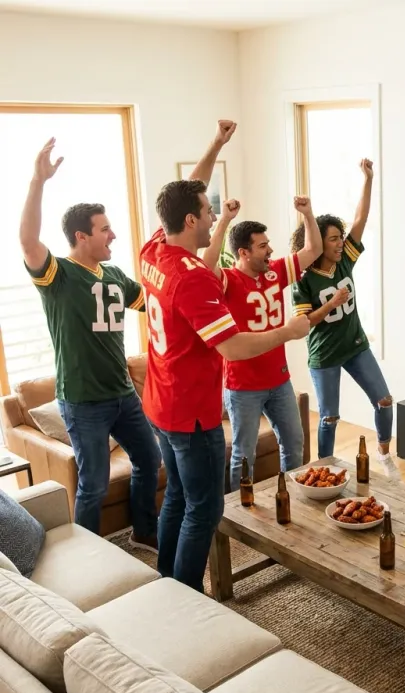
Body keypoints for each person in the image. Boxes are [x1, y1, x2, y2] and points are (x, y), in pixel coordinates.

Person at [139, 120, 310, 593]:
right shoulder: (192, 277)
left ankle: (166, 582)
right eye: (207, 211)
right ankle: (189, 594)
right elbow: (232, 345)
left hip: (159, 404)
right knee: (204, 507)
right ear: (191, 221)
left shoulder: (154, 248)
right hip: (190, 412)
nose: (214, 216)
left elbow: (185, 193)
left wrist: (215, 144)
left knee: (176, 494)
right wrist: (289, 331)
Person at [19, 138, 161, 551]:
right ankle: (88, 553)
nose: (113, 234)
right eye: (104, 229)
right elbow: (28, 241)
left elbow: (152, 302)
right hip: (83, 401)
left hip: (123, 394)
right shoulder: (59, 276)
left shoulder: (114, 274)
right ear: (82, 237)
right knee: (94, 485)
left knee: (150, 461)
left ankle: (143, 531)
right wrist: (37, 181)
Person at [202, 196, 322, 489]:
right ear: (243, 252)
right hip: (243, 386)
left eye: (268, 244)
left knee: (294, 444)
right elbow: (206, 264)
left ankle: (291, 497)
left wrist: (307, 214)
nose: (270, 250)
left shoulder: (275, 272)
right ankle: (239, 513)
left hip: (279, 380)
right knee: (244, 455)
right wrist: (224, 221)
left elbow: (314, 250)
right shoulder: (229, 280)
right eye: (262, 246)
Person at [291, 159, 400, 479]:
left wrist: (368, 179)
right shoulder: (303, 279)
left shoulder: (343, 264)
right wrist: (333, 302)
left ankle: (383, 454)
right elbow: (305, 323)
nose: (341, 243)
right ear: (317, 243)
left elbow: (361, 218)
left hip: (355, 346)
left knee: (384, 400)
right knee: (329, 417)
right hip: (324, 355)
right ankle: (324, 468)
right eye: (334, 238)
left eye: (341, 237)